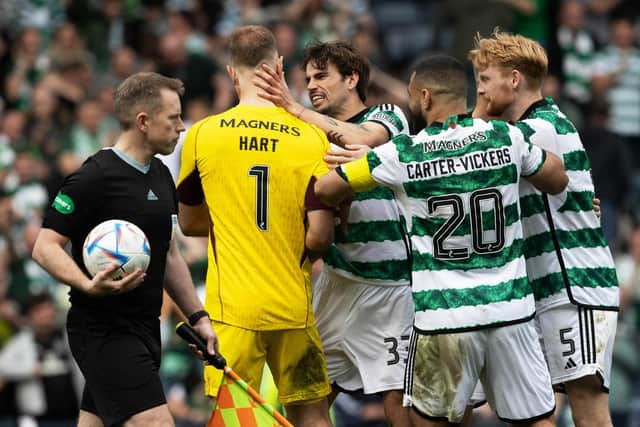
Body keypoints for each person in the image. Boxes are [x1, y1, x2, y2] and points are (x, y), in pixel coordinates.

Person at [315, 54, 569, 426]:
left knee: (428, 423)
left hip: (444, 315)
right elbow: (556, 178)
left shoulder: (403, 153)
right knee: (537, 421)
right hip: (511, 311)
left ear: (425, 97)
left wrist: (362, 173)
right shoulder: (505, 136)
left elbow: (326, 187)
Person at [31, 72, 217, 427]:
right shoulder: (94, 177)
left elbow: (170, 255)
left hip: (145, 329)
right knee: (157, 423)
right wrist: (86, 284)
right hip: (103, 330)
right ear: (143, 121)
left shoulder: (162, 174)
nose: (181, 127)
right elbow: (45, 246)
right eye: (173, 118)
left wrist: (198, 317)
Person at [176, 25, 334, 427]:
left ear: (231, 73)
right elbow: (320, 234)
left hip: (233, 311)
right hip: (292, 305)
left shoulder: (202, 135)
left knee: (234, 418)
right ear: (279, 67)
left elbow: (191, 222)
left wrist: (235, 219)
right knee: (312, 413)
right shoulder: (312, 135)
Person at [254, 40, 412, 426]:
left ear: (352, 78)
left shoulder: (388, 114)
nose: (310, 85)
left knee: (397, 399)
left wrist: (294, 109)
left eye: (321, 75)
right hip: (338, 282)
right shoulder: (309, 135)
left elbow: (363, 140)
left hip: (390, 287)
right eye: (307, 78)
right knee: (307, 392)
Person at [469, 31, 619, 427]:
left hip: (574, 288)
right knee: (536, 412)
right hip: (544, 292)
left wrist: (476, 118)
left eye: (484, 80)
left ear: (513, 79)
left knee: (589, 411)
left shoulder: (540, 128)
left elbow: (469, 152)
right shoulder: (532, 128)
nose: (480, 92)